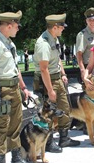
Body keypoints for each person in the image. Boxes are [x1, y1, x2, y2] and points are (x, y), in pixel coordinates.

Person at [0, 10, 35, 163]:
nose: (18, 29)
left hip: (14, 89)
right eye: (17, 26)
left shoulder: (9, 44)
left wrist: (23, 87)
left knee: (15, 125)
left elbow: (15, 67)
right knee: (2, 128)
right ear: (8, 25)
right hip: (2, 91)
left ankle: (16, 160)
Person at [33, 13, 80, 154]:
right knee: (49, 111)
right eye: (61, 27)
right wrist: (50, 90)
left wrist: (63, 74)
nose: (63, 29)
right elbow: (43, 68)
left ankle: (64, 138)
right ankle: (48, 143)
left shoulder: (54, 39)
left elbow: (58, 58)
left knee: (65, 108)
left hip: (57, 78)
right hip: (47, 81)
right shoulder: (43, 44)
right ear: (54, 27)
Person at [75, 7, 94, 85]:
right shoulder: (82, 35)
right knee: (90, 92)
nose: (92, 22)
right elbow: (79, 54)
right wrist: (82, 70)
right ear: (86, 21)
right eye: (90, 20)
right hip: (88, 67)